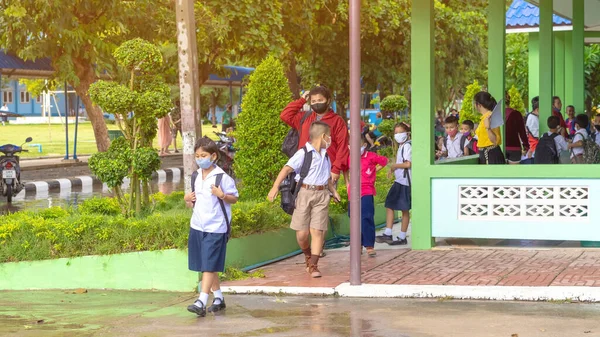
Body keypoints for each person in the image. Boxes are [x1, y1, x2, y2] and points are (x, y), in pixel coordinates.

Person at [268, 122, 341, 278]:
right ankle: (307, 254)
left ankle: (314, 265)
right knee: (302, 234)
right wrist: (275, 187)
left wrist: (333, 191)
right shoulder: (303, 153)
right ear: (323, 136)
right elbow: (287, 168)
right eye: (329, 136)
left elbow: (327, 177)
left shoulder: (325, 155)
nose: (330, 139)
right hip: (304, 193)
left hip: (322, 195)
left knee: (317, 230)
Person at [184, 137, 239, 317]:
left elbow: (234, 198)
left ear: (213, 156)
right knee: (207, 264)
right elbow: (194, 203)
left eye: (204, 155)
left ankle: (201, 300)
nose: (200, 159)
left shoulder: (222, 177)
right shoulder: (196, 175)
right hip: (198, 225)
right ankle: (219, 298)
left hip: (216, 226)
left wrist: (222, 195)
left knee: (208, 264)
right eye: (197, 156)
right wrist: (187, 201)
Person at [280, 85, 349, 184]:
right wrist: (302, 100)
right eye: (313, 101)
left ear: (328, 100)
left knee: (324, 198)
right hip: (304, 171)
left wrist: (336, 169)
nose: (317, 103)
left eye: (320, 100)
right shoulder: (304, 118)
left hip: (326, 171)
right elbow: (285, 115)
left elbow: (342, 147)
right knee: (301, 199)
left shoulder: (337, 121)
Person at [347, 134, 388, 257]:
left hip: (366, 190)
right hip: (353, 192)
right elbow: (343, 168)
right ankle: (357, 244)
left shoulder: (370, 156)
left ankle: (369, 245)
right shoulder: (349, 157)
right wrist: (347, 182)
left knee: (366, 217)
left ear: (364, 145)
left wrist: (374, 171)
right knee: (354, 218)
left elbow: (384, 161)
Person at [376, 122, 412, 245]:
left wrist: (394, 166)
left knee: (404, 209)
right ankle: (388, 233)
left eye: (400, 132)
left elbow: (408, 164)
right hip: (400, 181)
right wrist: (393, 168)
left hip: (405, 182)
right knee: (390, 204)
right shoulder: (402, 146)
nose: (398, 135)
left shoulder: (407, 146)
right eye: (396, 133)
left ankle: (401, 236)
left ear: (407, 133)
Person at [473, 92, 505, 164]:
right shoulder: (484, 117)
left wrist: (488, 128)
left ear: (478, 105)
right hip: (485, 153)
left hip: (491, 154)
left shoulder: (489, 116)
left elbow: (495, 141)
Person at [504, 92, 530, 164]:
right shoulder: (516, 114)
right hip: (514, 147)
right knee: (514, 174)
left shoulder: (495, 115)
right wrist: (526, 146)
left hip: (499, 148)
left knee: (501, 174)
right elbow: (522, 132)